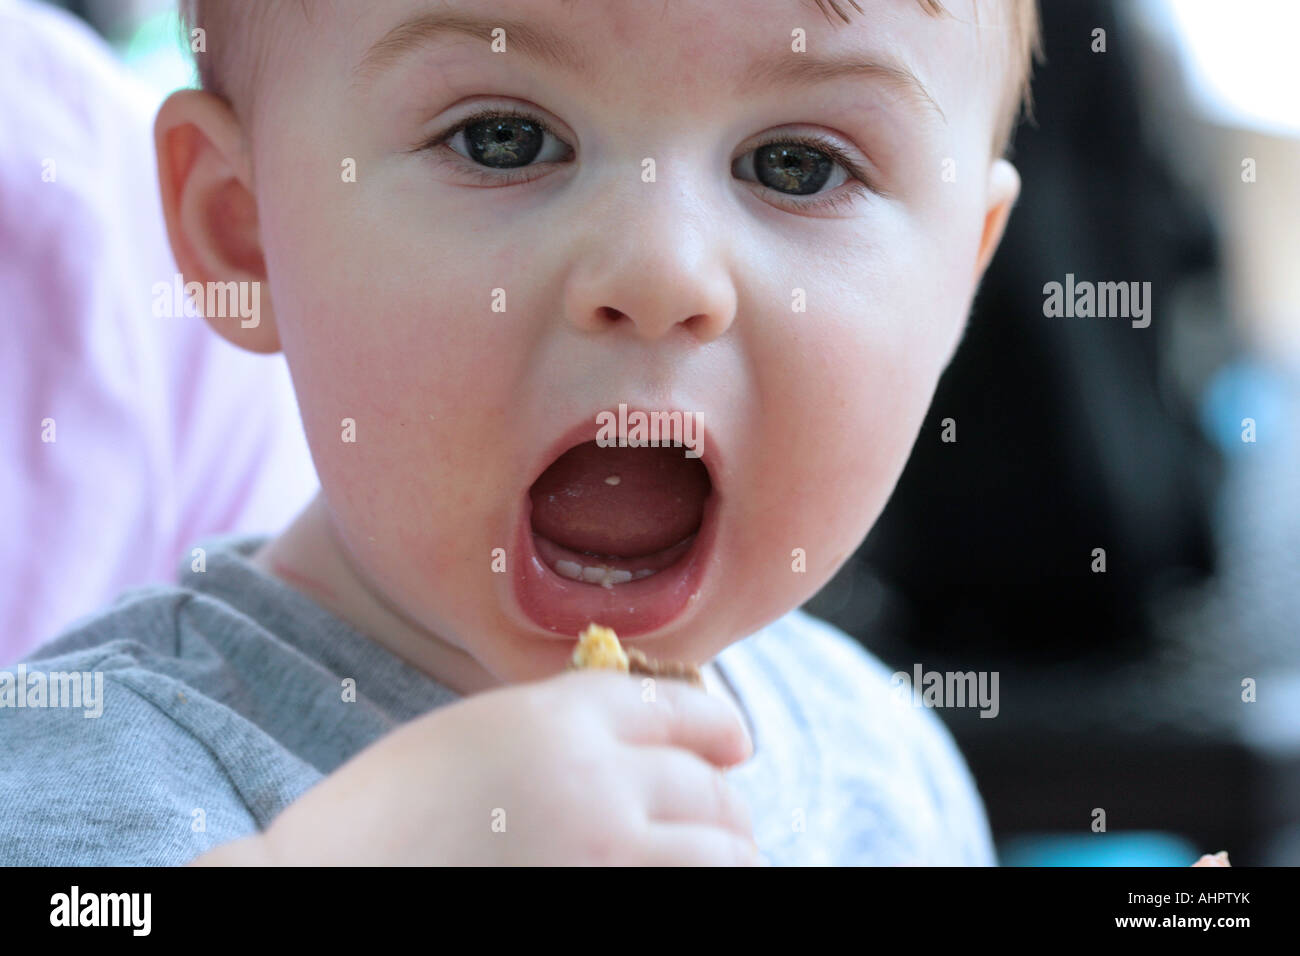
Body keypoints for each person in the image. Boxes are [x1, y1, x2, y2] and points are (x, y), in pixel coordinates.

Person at [0, 0, 1040, 866]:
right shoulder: (86, 762)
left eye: (796, 166)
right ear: (244, 226)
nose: (661, 271)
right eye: (504, 138)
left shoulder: (887, 771)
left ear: (959, 277)